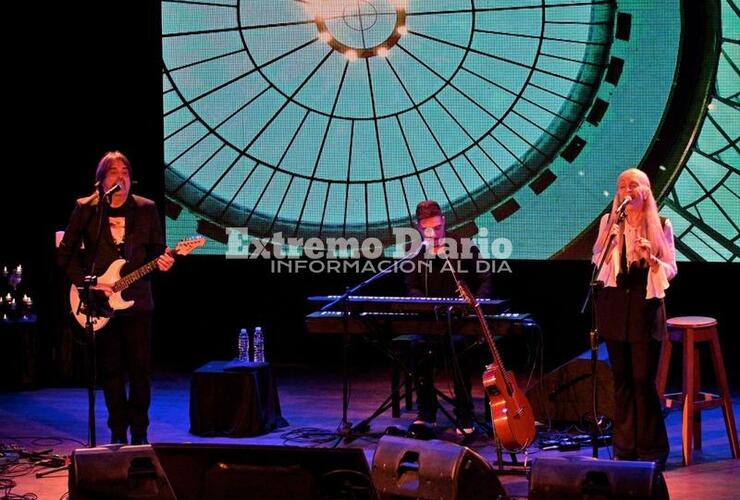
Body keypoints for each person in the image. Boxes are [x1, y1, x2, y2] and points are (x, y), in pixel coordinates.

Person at [58, 151, 174, 445]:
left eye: (125, 171)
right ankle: (117, 432)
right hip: (100, 304)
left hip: (138, 302)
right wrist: (86, 286)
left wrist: (165, 261)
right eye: (113, 171)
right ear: (100, 180)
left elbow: (157, 251)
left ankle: (140, 433)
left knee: (140, 370)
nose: (120, 176)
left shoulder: (146, 209)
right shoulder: (87, 209)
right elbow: (66, 254)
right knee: (110, 371)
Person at [592, 168, 677, 469]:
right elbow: (597, 260)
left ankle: (651, 449)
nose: (626, 191)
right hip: (615, 306)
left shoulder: (661, 224)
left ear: (645, 190)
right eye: (621, 187)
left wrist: (652, 259)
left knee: (642, 380)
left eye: (632, 186)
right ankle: (624, 448)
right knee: (622, 379)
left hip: (645, 306)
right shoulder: (610, 222)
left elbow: (670, 269)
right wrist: (609, 241)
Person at [403, 200, 492, 438]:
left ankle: (465, 415)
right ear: (419, 228)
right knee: (418, 347)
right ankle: (426, 415)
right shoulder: (416, 254)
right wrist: (427, 305)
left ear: (443, 222)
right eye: (427, 230)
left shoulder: (463, 246)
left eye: (437, 228)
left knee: (459, 347)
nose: (433, 234)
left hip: (461, 321)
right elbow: (411, 288)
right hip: (431, 321)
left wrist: (473, 304)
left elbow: (485, 280)